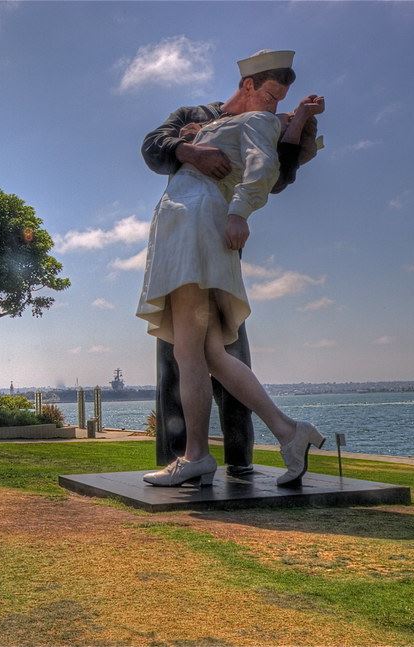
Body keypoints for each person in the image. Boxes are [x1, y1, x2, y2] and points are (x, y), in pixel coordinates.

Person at [135, 49, 326, 487]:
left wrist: (239, 211)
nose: (274, 104)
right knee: (209, 354)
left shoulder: (260, 122)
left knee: (189, 352)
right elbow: (155, 145)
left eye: (281, 100)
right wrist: (189, 142)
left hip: (197, 225)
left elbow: (267, 170)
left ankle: (198, 454)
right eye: (271, 93)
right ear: (248, 86)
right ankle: (287, 431)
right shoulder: (208, 120)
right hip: (189, 226)